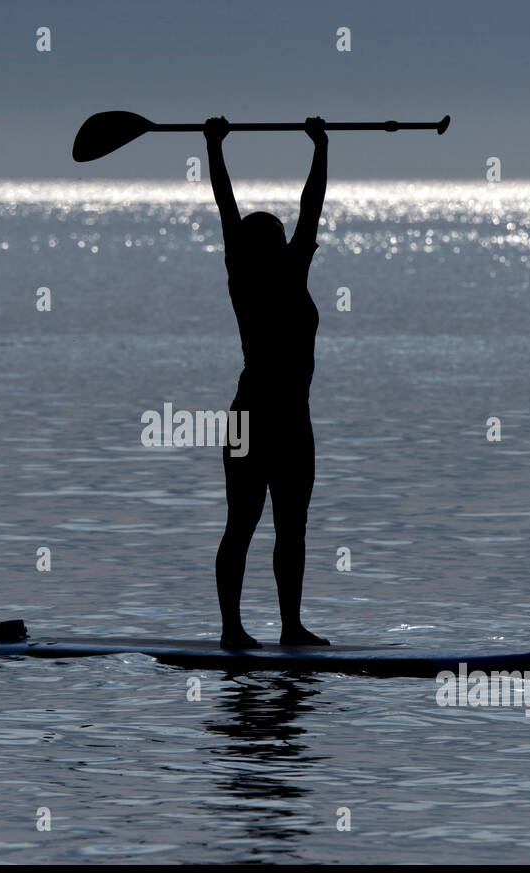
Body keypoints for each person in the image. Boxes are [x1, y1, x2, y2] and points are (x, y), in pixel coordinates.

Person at [206, 115, 330, 650]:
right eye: (277, 237)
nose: (290, 240)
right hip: (255, 414)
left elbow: (309, 210)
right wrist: (214, 149)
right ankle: (233, 628)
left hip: (287, 416)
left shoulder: (282, 270)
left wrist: (320, 147)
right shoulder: (256, 275)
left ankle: (290, 627)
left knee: (289, 526)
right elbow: (230, 209)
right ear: (264, 248)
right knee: (245, 522)